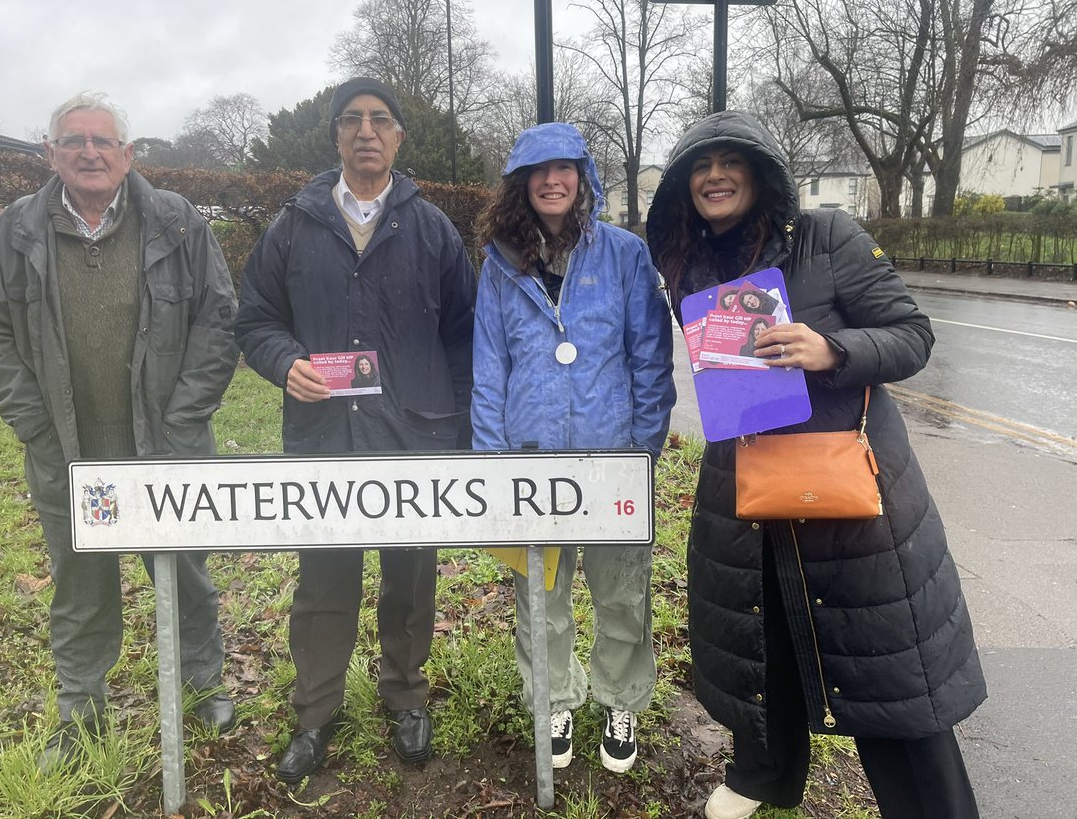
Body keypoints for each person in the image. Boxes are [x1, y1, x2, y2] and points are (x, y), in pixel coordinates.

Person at [645, 112, 986, 819]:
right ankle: (763, 775)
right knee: (757, 634)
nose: (714, 176)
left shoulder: (828, 237)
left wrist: (831, 349)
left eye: (729, 161)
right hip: (748, 478)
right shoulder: (691, 263)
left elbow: (912, 336)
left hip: (845, 493)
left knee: (884, 661)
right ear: (683, 187)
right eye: (699, 168)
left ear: (761, 171)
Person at [0, 92, 240, 769]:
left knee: (183, 575)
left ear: (127, 154)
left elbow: (219, 319)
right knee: (80, 584)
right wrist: (32, 421)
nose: (88, 152)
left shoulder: (178, 223)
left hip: (165, 452)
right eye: (73, 140)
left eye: (101, 141)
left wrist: (183, 420)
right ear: (49, 153)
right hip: (67, 454)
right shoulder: (15, 231)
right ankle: (80, 709)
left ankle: (203, 686)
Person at [235, 77, 476, 784]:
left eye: (379, 120)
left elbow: (464, 335)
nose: (365, 131)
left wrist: (456, 428)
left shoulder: (432, 228)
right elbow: (254, 320)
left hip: (415, 438)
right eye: (351, 121)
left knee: (411, 575)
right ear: (336, 136)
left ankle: (405, 696)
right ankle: (316, 712)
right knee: (323, 581)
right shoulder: (294, 226)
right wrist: (285, 365)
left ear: (399, 137)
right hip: (324, 437)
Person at [471, 123, 676, 773]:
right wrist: (492, 464)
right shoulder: (499, 265)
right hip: (531, 463)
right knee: (541, 594)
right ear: (521, 185)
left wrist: (641, 453)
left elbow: (650, 360)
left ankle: (620, 699)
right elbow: (488, 367)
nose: (552, 181)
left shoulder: (623, 255)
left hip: (611, 461)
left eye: (564, 168)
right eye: (539, 171)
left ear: (583, 177)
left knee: (621, 593)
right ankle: (554, 697)